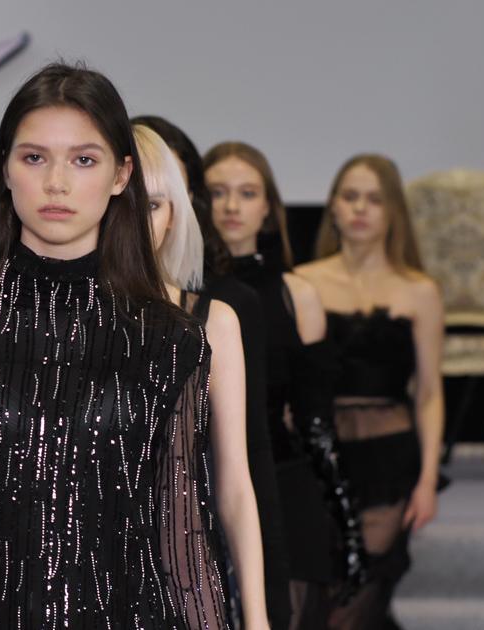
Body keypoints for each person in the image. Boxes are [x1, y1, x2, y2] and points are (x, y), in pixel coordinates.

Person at [0, 63, 233, 629]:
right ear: (5, 168)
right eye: (34, 157)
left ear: (122, 175)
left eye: (83, 159)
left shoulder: (171, 340)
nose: (57, 182)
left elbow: (184, 536)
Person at [133, 115, 292, 630]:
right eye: (125, 203)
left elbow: (237, 484)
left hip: (188, 577)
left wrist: (259, 615)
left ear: (177, 215)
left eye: (154, 204)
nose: (136, 220)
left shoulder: (216, 321)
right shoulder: (56, 322)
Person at [202, 142, 367, 629]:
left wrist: (347, 525)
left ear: (269, 207)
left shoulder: (299, 295)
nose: (231, 207)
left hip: (283, 479)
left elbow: (316, 421)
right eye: (217, 192)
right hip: (200, 487)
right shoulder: (175, 293)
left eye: (247, 193)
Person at [295, 154, 443, 630]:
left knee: (358, 599)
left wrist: (426, 479)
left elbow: (430, 391)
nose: (360, 208)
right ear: (333, 206)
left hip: (389, 461)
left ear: (393, 211)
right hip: (319, 458)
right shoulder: (304, 283)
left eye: (375, 199)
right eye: (350, 195)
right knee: (321, 595)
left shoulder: (419, 291)